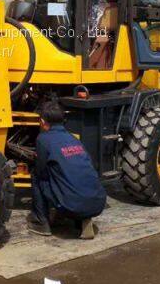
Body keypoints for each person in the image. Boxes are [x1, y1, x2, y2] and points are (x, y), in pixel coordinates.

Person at [27, 100, 107, 239]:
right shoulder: (74, 139)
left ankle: (41, 223)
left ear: (42, 121)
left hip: (71, 205)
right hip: (98, 203)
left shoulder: (43, 139)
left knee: (36, 176)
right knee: (70, 175)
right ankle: (82, 219)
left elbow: (42, 172)